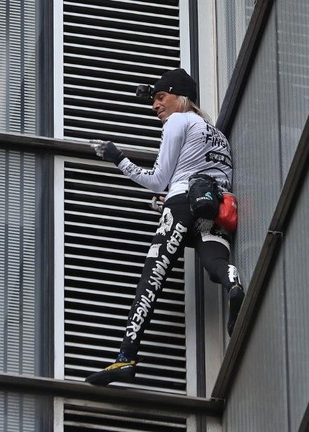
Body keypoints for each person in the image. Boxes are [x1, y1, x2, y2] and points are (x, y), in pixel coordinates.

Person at [85, 69, 245, 386]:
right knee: (216, 263)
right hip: (217, 205)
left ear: (179, 97)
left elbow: (158, 179)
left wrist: (118, 158)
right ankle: (232, 281)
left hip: (184, 201)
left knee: (152, 278)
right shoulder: (217, 134)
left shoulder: (178, 121)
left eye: (160, 98)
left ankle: (125, 358)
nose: (155, 106)